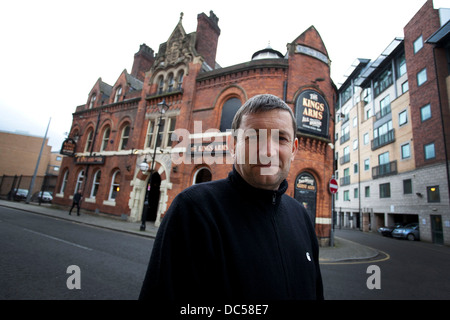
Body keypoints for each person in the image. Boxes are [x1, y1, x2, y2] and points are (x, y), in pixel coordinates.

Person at [139, 94, 323, 301]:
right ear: (233, 145)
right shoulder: (193, 209)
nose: (268, 151)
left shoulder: (301, 217)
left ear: (294, 149)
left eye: (281, 138)